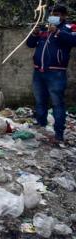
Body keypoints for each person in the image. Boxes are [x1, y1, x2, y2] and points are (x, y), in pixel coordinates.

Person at [26, 5, 76, 144]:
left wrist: (58, 32)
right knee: (40, 101)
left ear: (64, 16)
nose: (54, 16)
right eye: (53, 13)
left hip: (56, 73)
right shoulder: (44, 28)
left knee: (57, 103)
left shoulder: (70, 27)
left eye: (58, 14)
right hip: (39, 71)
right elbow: (30, 44)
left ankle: (59, 133)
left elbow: (73, 41)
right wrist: (34, 34)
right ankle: (41, 125)